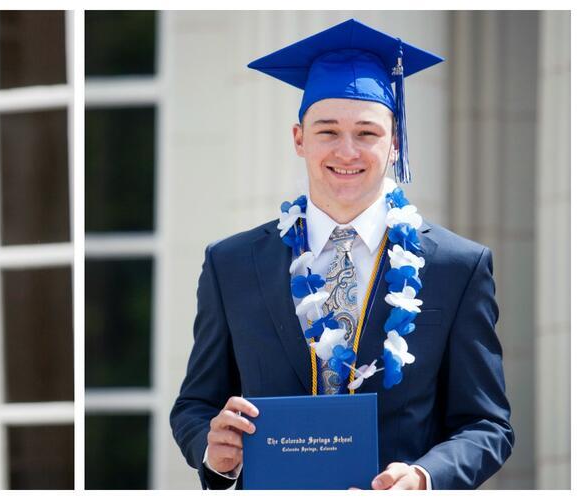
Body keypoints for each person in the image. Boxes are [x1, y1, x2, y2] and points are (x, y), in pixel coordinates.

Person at [169, 19, 513, 490]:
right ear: (299, 138)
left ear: (394, 144)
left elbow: (487, 425)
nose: (347, 150)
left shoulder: (456, 267)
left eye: (367, 133)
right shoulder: (232, 264)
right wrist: (214, 450)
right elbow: (195, 406)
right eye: (327, 131)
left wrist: (423, 476)